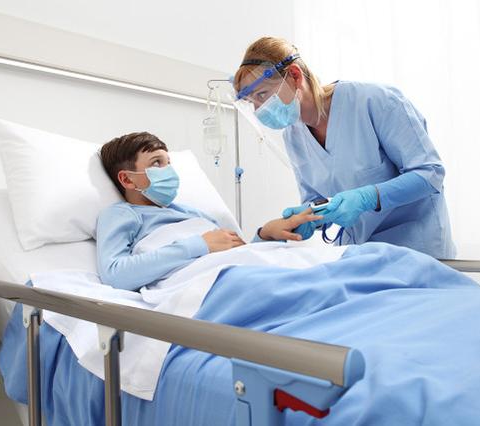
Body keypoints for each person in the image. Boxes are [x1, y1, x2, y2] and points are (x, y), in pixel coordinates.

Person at [233, 37, 456, 259]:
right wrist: (309, 216)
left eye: (262, 95)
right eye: (252, 102)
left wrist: (367, 197)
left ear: (294, 75)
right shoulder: (293, 136)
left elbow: (430, 174)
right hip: (361, 255)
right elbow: (318, 199)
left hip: (417, 250)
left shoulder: (376, 101)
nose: (259, 109)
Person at [97, 132, 321, 291]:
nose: (168, 170)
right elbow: (115, 275)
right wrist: (200, 244)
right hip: (214, 281)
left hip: (241, 269)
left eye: (168, 162)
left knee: (319, 265)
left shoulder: (193, 213)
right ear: (127, 179)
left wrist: (266, 235)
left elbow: (239, 253)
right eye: (157, 163)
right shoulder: (123, 214)